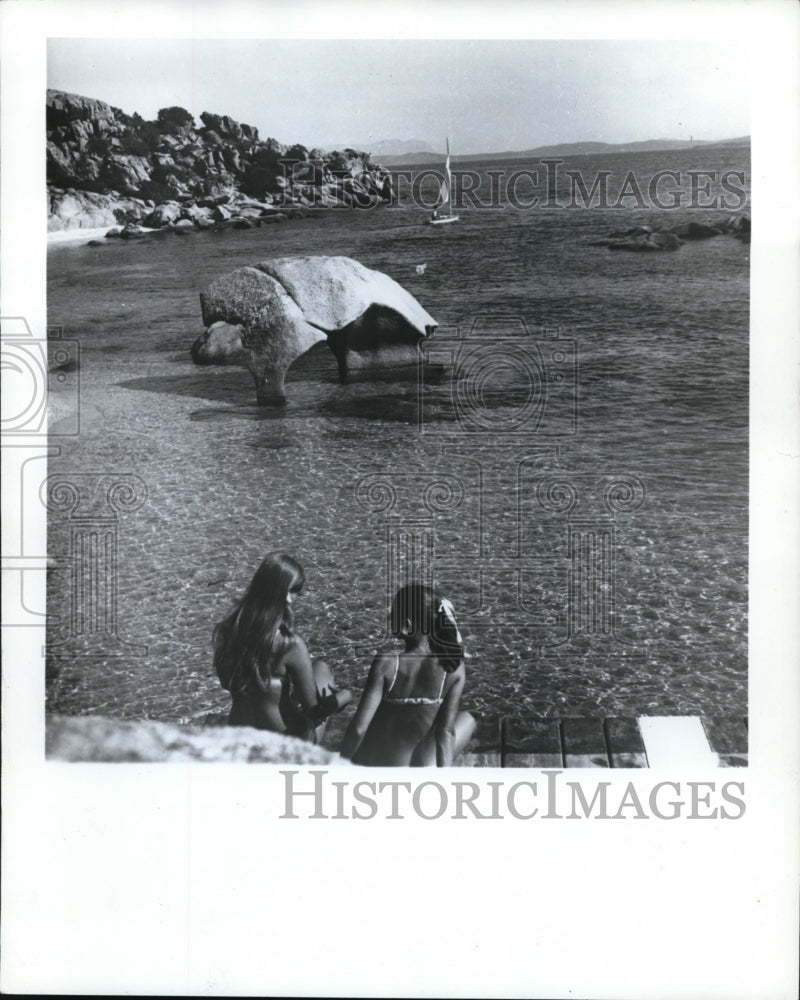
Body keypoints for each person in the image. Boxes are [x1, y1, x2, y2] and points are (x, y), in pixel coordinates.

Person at [213, 552, 351, 743]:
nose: (289, 599)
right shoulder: (289, 644)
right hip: (287, 741)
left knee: (313, 669)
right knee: (322, 669)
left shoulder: (225, 631)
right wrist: (345, 697)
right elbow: (315, 712)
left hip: (241, 735)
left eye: (295, 591)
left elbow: (226, 684)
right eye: (288, 590)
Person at [340, 583, 476, 766]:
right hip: (413, 770)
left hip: (373, 765)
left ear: (406, 626)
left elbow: (358, 728)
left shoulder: (387, 663)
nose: (389, 617)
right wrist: (445, 781)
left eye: (393, 614)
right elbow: (445, 733)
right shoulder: (453, 668)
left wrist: (341, 767)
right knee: (466, 719)